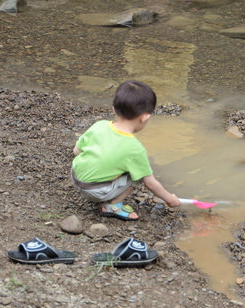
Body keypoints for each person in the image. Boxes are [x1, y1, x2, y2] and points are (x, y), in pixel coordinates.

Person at [71, 80, 181, 220]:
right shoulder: (135, 149)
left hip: (75, 177)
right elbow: (150, 183)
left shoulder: (100, 125)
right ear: (145, 117)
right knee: (138, 173)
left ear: (113, 109)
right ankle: (112, 205)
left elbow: (76, 151)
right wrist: (170, 199)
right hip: (95, 191)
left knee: (122, 163)